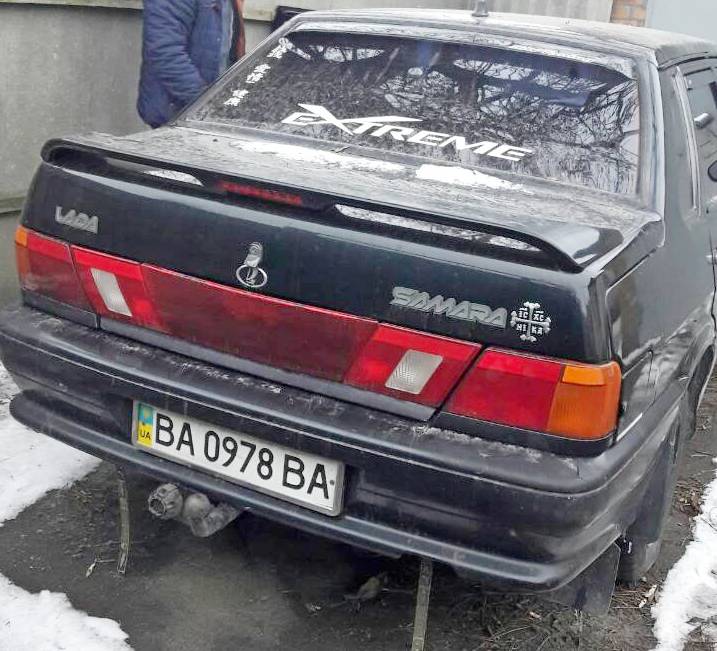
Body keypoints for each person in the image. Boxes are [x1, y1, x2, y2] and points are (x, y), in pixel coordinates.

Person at [137, 0, 246, 128]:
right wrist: (206, 104)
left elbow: (229, 52)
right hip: (179, 113)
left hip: (211, 114)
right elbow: (166, 53)